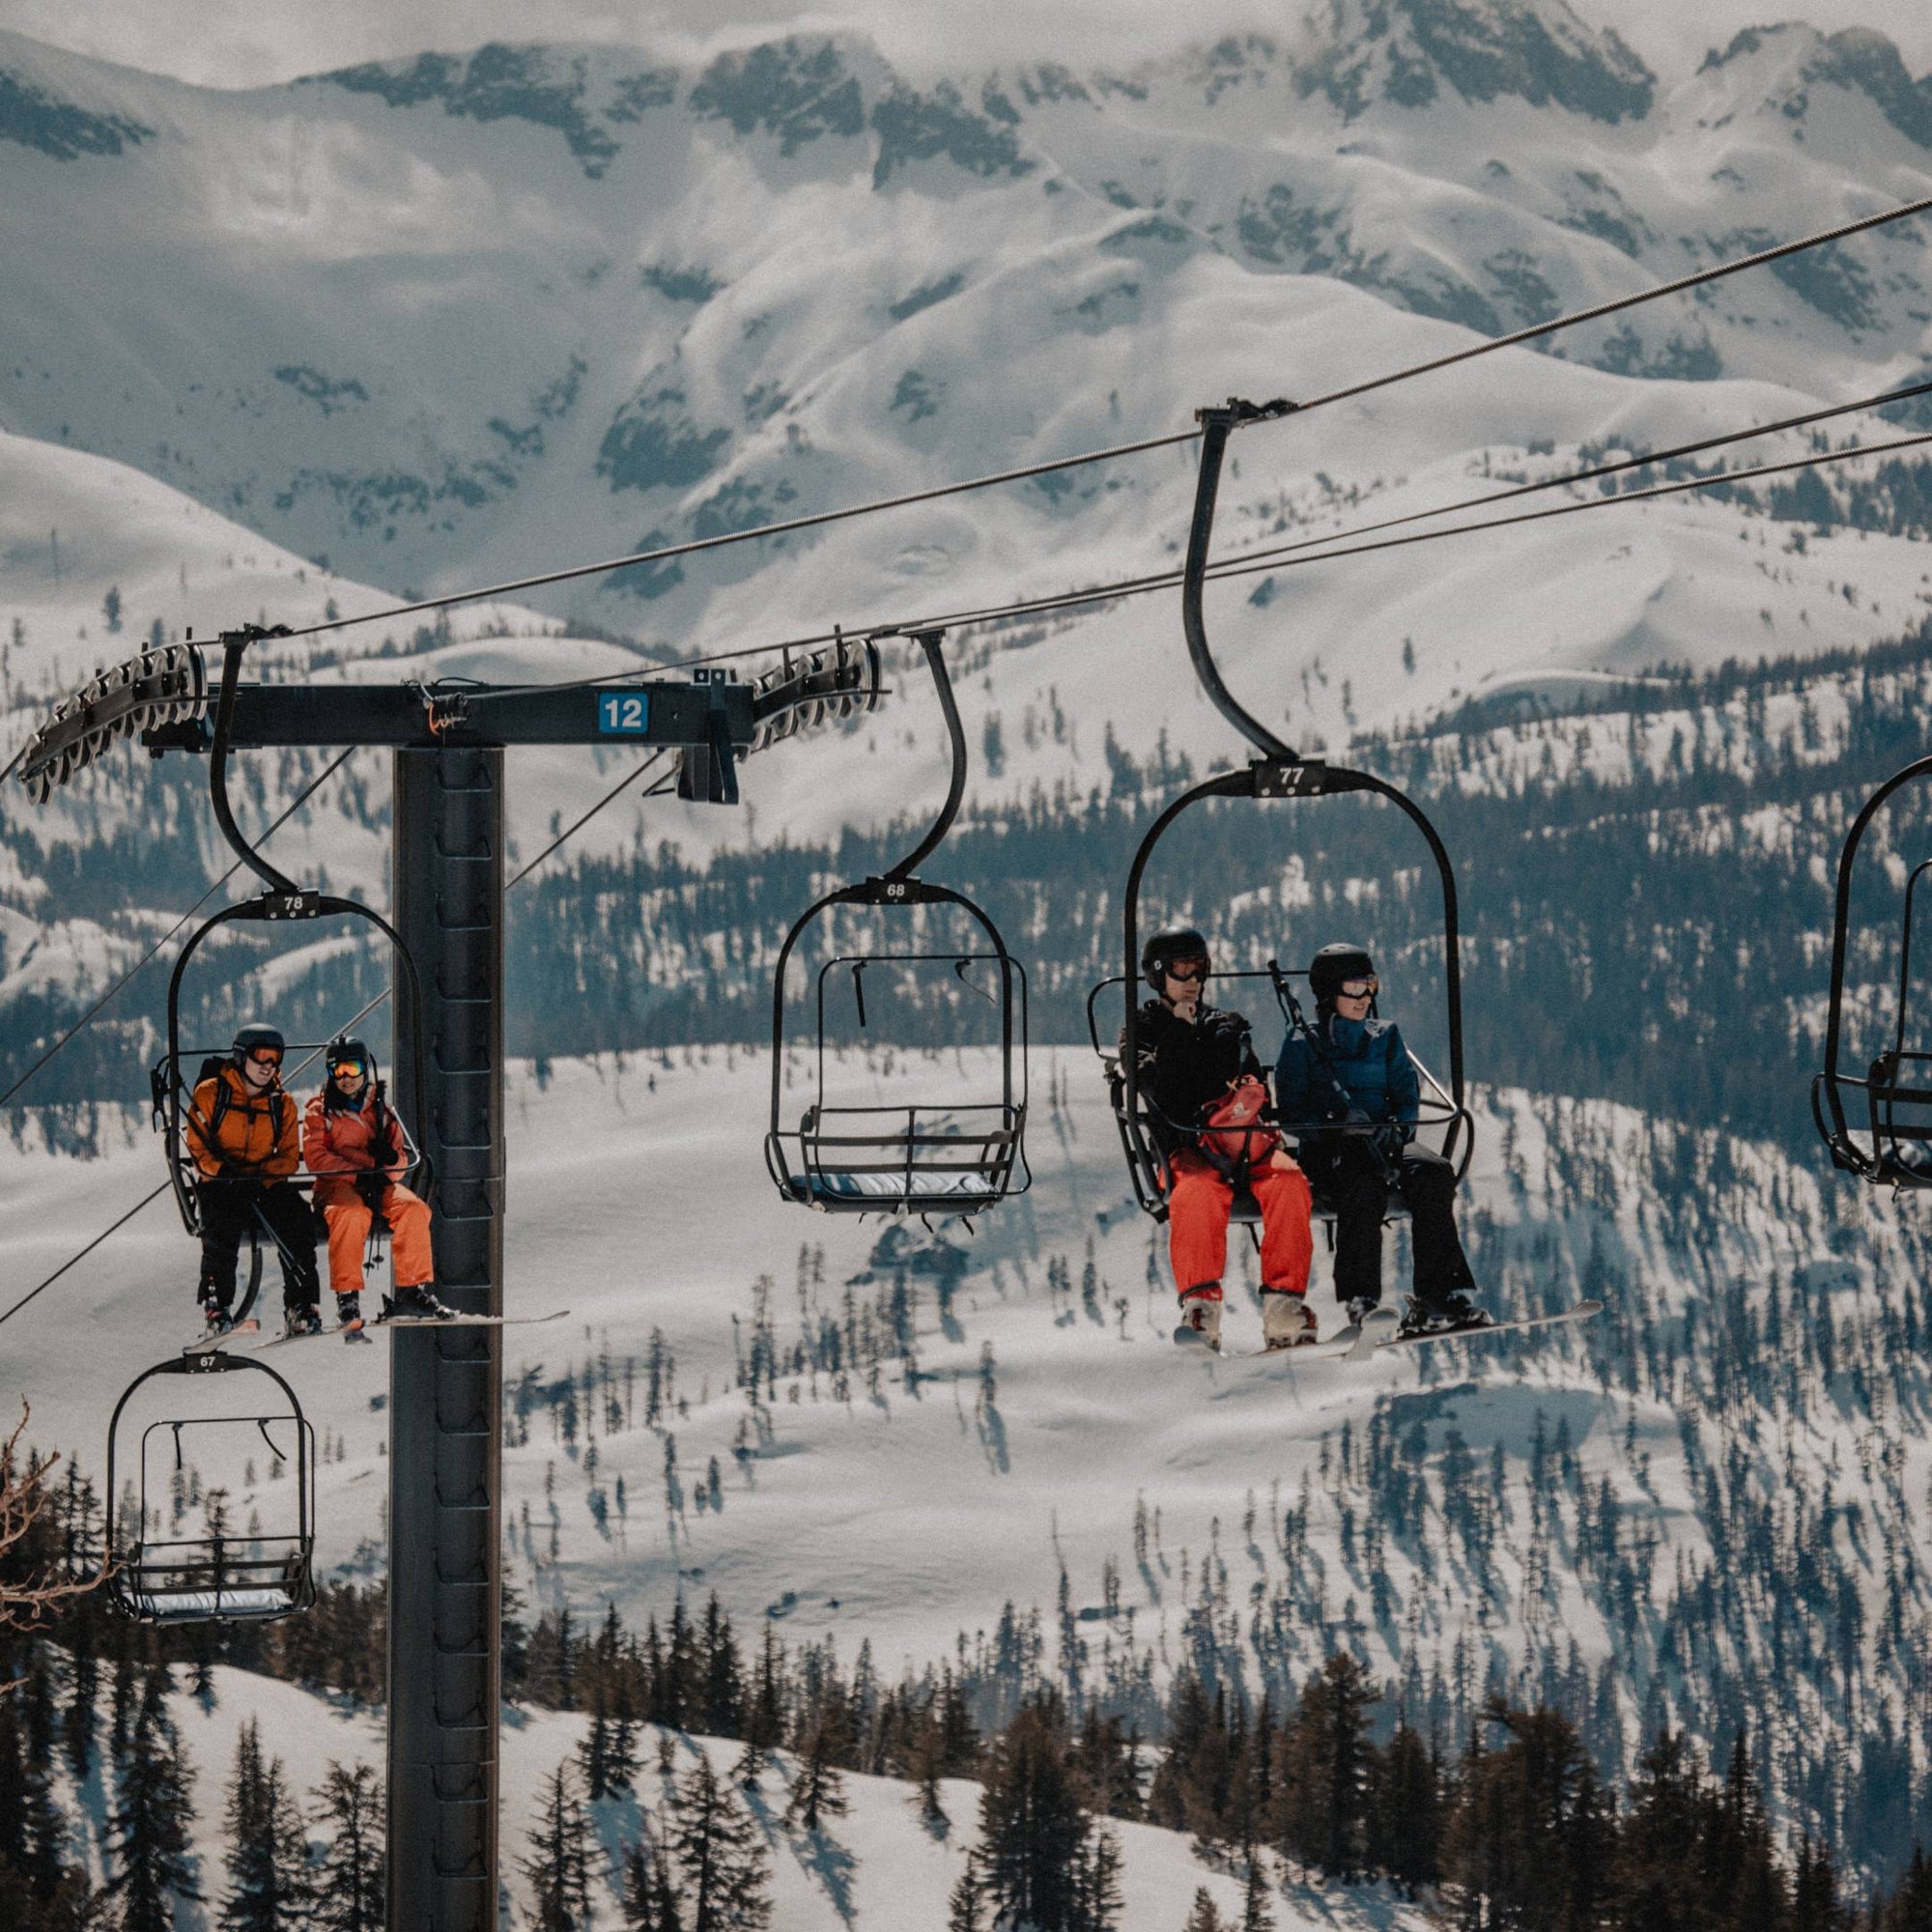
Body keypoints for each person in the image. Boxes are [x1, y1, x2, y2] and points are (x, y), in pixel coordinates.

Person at [1274, 943, 1486, 1339]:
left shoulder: (1385, 1036)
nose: (1364, 998)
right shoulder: (1303, 1043)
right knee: (1363, 1183)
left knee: (1434, 1173)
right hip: (1332, 1151)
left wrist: (1393, 1127)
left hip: (1384, 1141)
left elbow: (1407, 1097)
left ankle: (1438, 1293)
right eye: (1354, 989)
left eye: (1370, 986)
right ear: (1328, 993)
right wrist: (1335, 1125)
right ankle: (1361, 1299)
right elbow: (1291, 1113)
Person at [1124, 928, 1315, 1351]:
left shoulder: (1225, 1025)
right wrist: (1178, 1032)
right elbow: (1160, 1089)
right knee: (1195, 1192)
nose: (1192, 978)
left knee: (1288, 1182)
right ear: (1159, 975)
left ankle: (1284, 1306)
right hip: (1186, 1146)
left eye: (1199, 968)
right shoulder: (1142, 1030)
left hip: (1242, 1142)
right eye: (1181, 968)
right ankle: (1201, 1308)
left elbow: (1241, 1072)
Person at [303, 1037, 454, 1326]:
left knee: (413, 1209)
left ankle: (410, 1291)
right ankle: (348, 1296)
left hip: (378, 1184)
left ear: (364, 1069)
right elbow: (316, 1158)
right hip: (338, 1185)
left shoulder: (381, 1110)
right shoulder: (320, 1111)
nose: (346, 1078)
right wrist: (357, 1171)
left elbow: (399, 1164)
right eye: (338, 1071)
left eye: (352, 1068)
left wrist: (387, 1162)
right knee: (350, 1214)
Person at [186, 1021, 322, 1338]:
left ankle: (300, 1306)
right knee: (220, 1226)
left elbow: (288, 1154)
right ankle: (217, 1307)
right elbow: (197, 1143)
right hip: (221, 1183)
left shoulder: (280, 1103)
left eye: (275, 1058)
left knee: (298, 1221)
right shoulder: (211, 1094)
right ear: (241, 1056)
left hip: (263, 1184)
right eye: (262, 1056)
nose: (268, 1066)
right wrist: (223, 1173)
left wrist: (262, 1178)